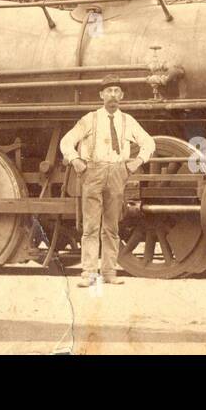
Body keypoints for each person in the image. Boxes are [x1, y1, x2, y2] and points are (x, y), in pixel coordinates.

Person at [59, 75, 157, 287]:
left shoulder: (127, 121)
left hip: (117, 173)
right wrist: (75, 160)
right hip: (93, 172)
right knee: (91, 226)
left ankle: (110, 272)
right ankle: (88, 273)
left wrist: (137, 161)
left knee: (112, 226)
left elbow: (148, 142)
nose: (112, 95)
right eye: (108, 91)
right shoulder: (89, 119)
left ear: (121, 95)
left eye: (116, 91)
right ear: (101, 95)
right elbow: (66, 141)